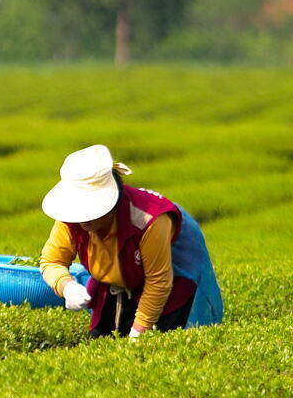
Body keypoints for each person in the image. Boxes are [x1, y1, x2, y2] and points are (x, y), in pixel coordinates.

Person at [39, 144, 223, 339]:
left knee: (161, 348)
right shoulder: (70, 218)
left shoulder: (148, 220)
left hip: (171, 284)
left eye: (89, 211)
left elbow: (158, 281)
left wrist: (138, 333)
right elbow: (51, 261)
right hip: (114, 283)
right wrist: (66, 285)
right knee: (102, 342)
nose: (83, 219)